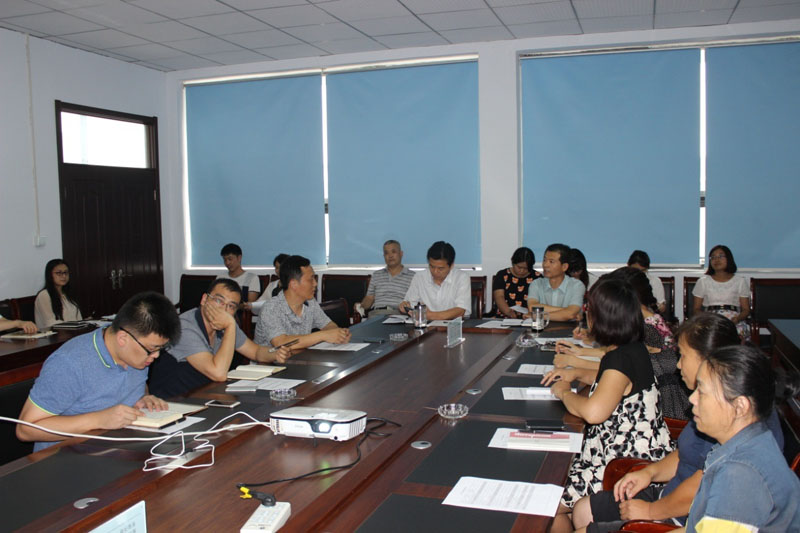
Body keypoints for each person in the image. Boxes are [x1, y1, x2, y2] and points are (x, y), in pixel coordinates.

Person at [571, 313, 784, 533]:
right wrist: (650, 473)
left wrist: (650, 511)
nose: (678, 364)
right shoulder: (728, 415)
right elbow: (687, 453)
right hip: (674, 498)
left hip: (681, 516)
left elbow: (700, 492)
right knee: (582, 510)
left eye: (682, 355)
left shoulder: (739, 460)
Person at [541, 276, 673, 533]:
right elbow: (615, 384)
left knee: (543, 506)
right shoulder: (633, 349)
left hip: (620, 464)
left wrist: (564, 392)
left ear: (598, 319)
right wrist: (577, 373)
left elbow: (593, 413)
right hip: (639, 454)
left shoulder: (619, 358)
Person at [16, 292, 181, 452]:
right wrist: (98, 420)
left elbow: (135, 384)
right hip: (66, 457)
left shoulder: (138, 354)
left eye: (161, 348)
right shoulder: (69, 363)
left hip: (120, 448)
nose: (156, 356)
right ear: (123, 338)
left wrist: (142, 397)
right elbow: (26, 429)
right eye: (152, 349)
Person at [679, 344, 800, 532]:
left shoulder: (740, 475)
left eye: (701, 391)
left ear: (740, 407)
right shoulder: (751, 441)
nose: (692, 399)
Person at [148, 279, 292, 399]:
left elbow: (255, 352)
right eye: (218, 300)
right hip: (172, 402)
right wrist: (230, 326)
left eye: (231, 306)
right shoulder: (185, 327)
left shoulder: (225, 323)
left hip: (204, 394)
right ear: (204, 299)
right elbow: (218, 374)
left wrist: (275, 353)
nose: (223, 310)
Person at [255, 255, 351, 349]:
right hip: (271, 359)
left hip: (299, 356)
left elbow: (328, 325)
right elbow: (280, 343)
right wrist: (323, 335)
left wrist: (339, 334)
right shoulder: (271, 308)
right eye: (311, 279)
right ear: (294, 284)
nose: (315, 283)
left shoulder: (310, 302)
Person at [399, 241, 471, 320]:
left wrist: (431, 316)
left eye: (440, 268)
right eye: (432, 266)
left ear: (451, 265)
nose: (435, 272)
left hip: (453, 324)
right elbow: (410, 303)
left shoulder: (461, 278)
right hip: (425, 325)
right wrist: (405, 306)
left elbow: (460, 310)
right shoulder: (419, 277)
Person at [693, 244, 750, 339]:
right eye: (713, 257)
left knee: (737, 333)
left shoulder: (740, 281)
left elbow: (746, 310)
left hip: (734, 320)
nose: (716, 260)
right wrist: (707, 320)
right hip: (710, 320)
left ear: (729, 259)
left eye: (720, 256)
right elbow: (696, 309)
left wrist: (737, 319)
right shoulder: (703, 281)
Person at [527, 243, 585, 321]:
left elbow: (570, 314)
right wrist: (567, 311)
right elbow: (532, 307)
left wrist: (537, 316)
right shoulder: (536, 284)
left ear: (564, 267)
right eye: (544, 260)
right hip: (541, 328)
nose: (545, 265)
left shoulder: (576, 286)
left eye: (551, 261)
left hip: (569, 328)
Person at [359, 240, 415, 317]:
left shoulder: (413, 276)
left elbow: (416, 301)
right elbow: (369, 298)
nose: (390, 256)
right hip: (377, 314)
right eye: (386, 253)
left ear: (401, 254)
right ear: (384, 256)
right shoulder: (376, 275)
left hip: (399, 315)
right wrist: (360, 305)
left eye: (393, 252)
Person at [491, 246, 541, 319]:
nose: (522, 271)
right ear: (513, 262)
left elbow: (541, 301)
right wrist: (508, 312)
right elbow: (499, 296)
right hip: (505, 316)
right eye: (519, 267)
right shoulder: (502, 275)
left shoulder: (537, 277)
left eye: (526, 268)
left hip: (529, 317)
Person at [34, 258, 82, 330]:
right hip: (54, 334)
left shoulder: (68, 294)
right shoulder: (44, 295)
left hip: (73, 332)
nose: (64, 276)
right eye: (59, 273)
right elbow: (50, 323)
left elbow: (78, 318)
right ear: (50, 275)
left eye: (66, 272)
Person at [627, 250, 666, 314]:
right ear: (628, 265)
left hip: (648, 316)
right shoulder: (621, 281)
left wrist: (658, 307)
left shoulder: (654, 281)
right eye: (636, 270)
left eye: (643, 270)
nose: (639, 273)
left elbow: (662, 307)